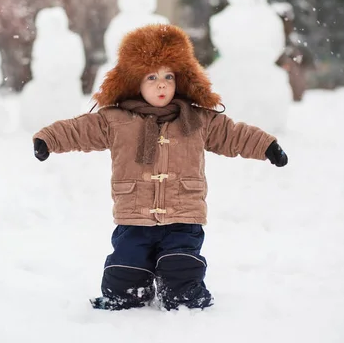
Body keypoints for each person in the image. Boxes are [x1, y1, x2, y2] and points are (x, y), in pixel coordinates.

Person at [32, 24, 288, 311]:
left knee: (182, 271)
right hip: (134, 218)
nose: (162, 84)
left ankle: (183, 294)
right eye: (151, 77)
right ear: (134, 82)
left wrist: (266, 146)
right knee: (125, 275)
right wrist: (48, 139)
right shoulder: (115, 119)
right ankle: (128, 293)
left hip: (183, 216)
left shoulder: (198, 119)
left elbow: (234, 135)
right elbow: (77, 130)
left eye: (168, 76)